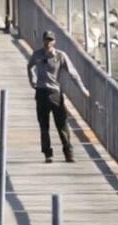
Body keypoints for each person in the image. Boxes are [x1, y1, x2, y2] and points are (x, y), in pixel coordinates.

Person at [27, 30, 90, 163]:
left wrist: (82, 89)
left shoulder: (60, 56)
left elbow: (73, 73)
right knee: (44, 126)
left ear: (54, 42)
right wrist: (32, 80)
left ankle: (68, 153)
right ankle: (48, 154)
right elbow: (30, 66)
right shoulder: (37, 54)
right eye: (46, 40)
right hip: (41, 93)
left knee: (62, 125)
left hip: (55, 94)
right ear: (43, 40)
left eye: (50, 40)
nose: (48, 43)